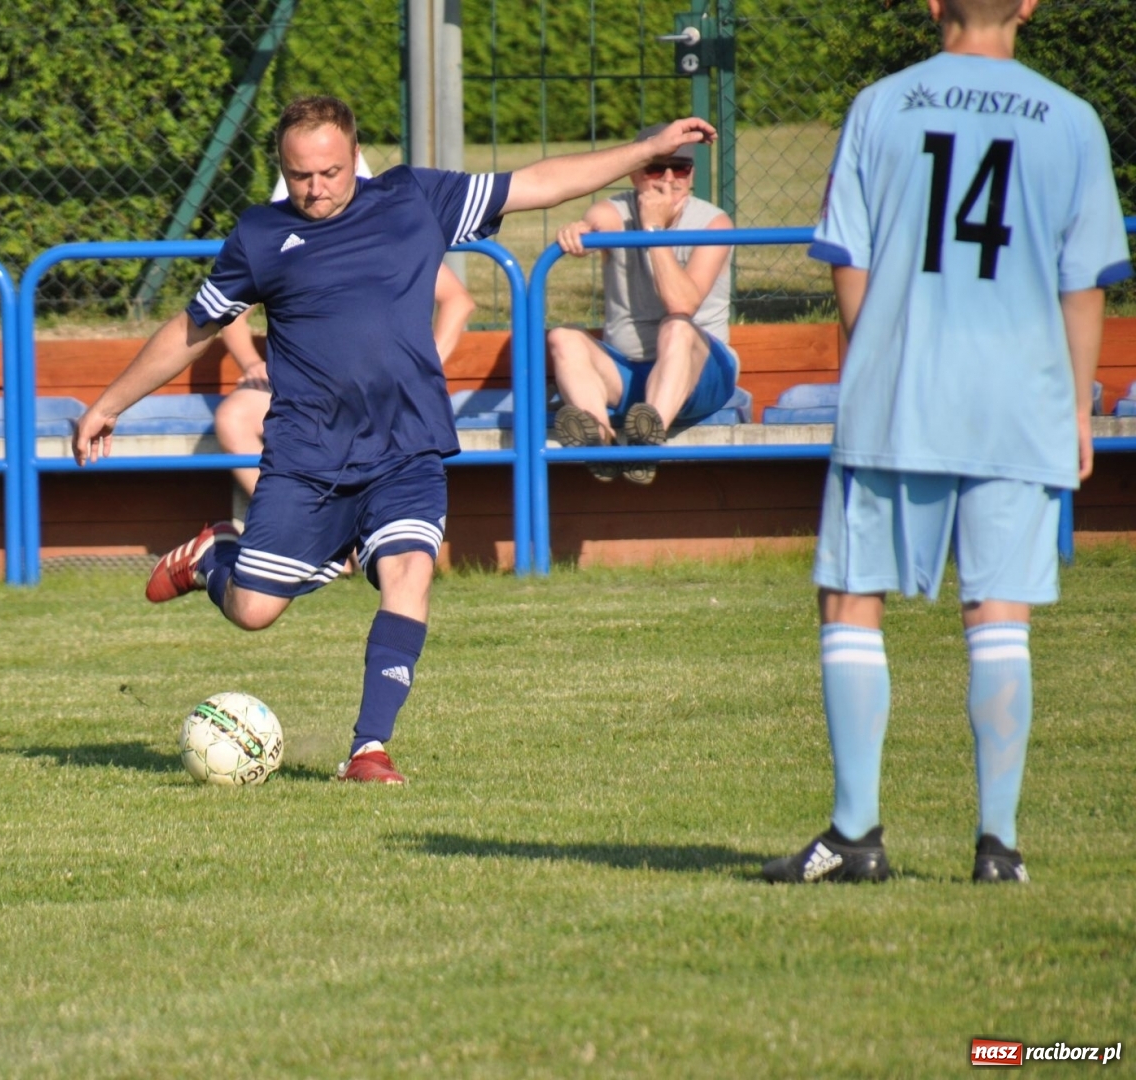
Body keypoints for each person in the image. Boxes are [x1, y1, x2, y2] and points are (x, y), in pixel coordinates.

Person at [74, 96, 714, 783]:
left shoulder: (412, 199)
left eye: (329, 172)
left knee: (409, 570)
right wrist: (109, 403)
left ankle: (368, 750)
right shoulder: (261, 236)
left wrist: (644, 149)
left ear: (355, 158)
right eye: (299, 176)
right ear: (281, 170)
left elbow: (539, 181)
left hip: (406, 445)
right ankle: (213, 558)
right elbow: (191, 329)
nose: (315, 189)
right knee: (254, 611)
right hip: (307, 457)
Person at [762, 0, 1131, 884]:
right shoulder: (1071, 118)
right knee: (997, 613)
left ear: (933, 5)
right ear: (1029, 5)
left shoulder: (881, 105)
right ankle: (997, 848)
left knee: (852, 597)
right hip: (1018, 399)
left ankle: (856, 834)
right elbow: (1085, 284)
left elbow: (846, 257)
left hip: (902, 393)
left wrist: (882, 352)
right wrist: (1076, 411)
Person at [215, 155, 475, 500]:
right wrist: (250, 362)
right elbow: (227, 314)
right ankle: (292, 524)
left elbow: (458, 300)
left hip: (377, 391)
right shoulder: (282, 244)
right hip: (305, 391)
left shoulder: (386, 242)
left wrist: (423, 364)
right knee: (234, 417)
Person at [545, 123, 738, 484]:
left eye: (679, 168)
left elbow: (682, 303)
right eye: (655, 167)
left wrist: (654, 230)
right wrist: (580, 234)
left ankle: (647, 445)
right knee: (562, 338)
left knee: (676, 326)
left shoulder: (714, 222)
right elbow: (596, 224)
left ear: (691, 175)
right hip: (631, 372)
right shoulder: (615, 211)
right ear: (634, 173)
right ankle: (599, 444)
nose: (668, 178)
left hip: (700, 373)